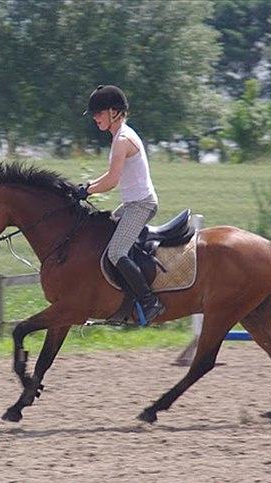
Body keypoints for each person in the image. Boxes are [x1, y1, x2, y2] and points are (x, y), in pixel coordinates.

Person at [76, 85, 165, 323]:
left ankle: (149, 301)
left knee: (116, 252)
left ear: (114, 112)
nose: (95, 118)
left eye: (98, 113)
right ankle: (119, 303)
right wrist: (85, 186)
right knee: (105, 241)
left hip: (141, 205)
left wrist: (87, 190)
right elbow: (108, 176)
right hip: (131, 204)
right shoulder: (120, 136)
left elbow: (112, 181)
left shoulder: (123, 140)